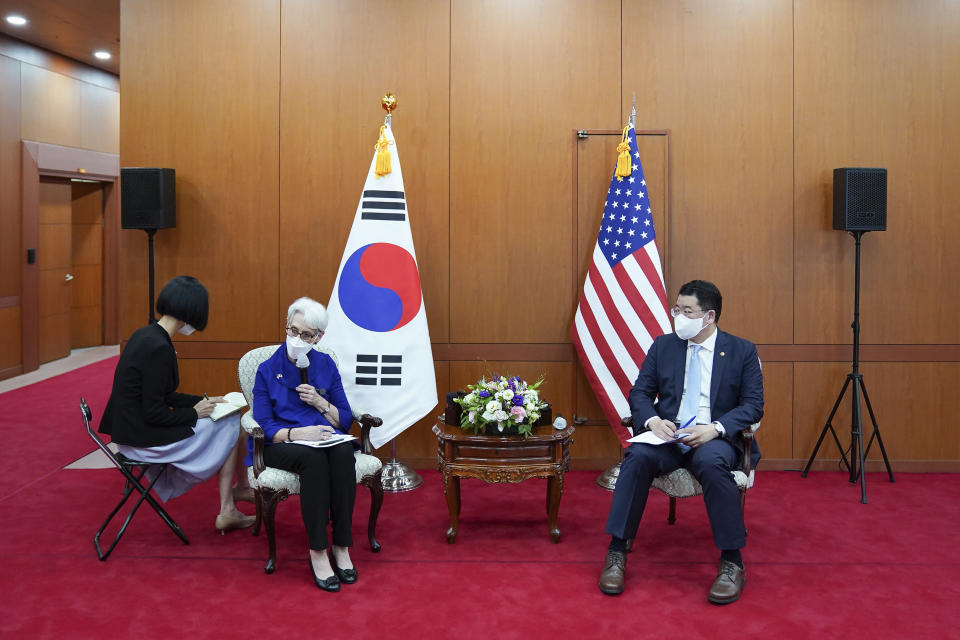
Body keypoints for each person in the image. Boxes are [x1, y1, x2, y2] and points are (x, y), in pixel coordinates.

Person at [598, 280, 763, 604]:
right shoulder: (663, 346)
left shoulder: (742, 350)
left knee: (712, 464)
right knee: (637, 457)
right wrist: (652, 420)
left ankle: (732, 562)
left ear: (709, 316)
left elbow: (752, 405)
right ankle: (617, 552)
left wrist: (716, 427)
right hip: (669, 435)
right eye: (677, 309)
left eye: (687, 311)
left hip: (712, 437)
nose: (678, 316)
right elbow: (641, 392)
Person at [99, 275, 255, 533]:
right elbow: (154, 411)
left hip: (130, 431)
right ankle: (229, 507)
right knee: (230, 423)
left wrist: (205, 402)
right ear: (191, 312)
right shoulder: (159, 347)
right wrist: (194, 413)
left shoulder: (146, 335)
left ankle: (236, 497)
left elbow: (165, 396)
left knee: (227, 417)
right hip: (142, 439)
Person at [249, 296, 357, 593]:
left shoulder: (325, 365)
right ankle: (318, 550)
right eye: (292, 330)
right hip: (282, 443)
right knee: (313, 461)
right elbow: (264, 424)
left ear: (318, 337)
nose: (296, 338)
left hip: (323, 439)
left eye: (305, 334)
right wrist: (298, 434)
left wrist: (321, 402)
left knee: (344, 451)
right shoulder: (267, 369)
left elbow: (344, 419)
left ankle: (342, 545)